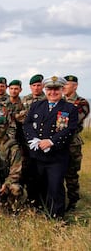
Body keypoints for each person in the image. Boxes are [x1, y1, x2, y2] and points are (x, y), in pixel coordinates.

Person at [23, 76, 78, 218]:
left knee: (55, 187)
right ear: (45, 90)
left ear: (62, 90)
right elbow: (27, 124)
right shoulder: (37, 105)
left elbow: (70, 129)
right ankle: (38, 211)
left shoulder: (69, 108)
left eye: (56, 89)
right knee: (37, 185)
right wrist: (34, 139)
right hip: (37, 155)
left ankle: (56, 217)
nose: (52, 92)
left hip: (56, 156)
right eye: (49, 89)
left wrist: (51, 141)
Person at [0, 117, 26, 211]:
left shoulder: (13, 147)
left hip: (6, 180)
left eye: (1, 127)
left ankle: (12, 210)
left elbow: (16, 171)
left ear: (6, 128)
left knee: (15, 189)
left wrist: (6, 184)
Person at [63, 75, 90, 211]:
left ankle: (73, 202)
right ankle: (60, 200)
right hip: (58, 143)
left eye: (67, 84)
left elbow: (73, 121)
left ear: (75, 86)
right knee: (57, 173)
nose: (63, 87)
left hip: (72, 143)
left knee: (71, 174)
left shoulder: (82, 103)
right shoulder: (59, 100)